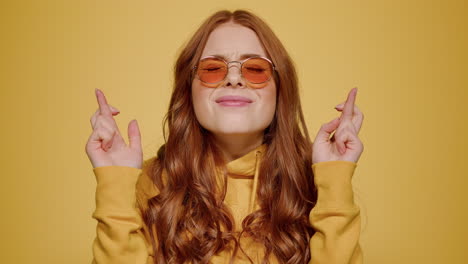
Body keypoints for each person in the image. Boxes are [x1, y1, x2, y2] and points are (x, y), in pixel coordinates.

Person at [86, 9, 364, 264]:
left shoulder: (316, 185)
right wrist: (115, 185)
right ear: (189, 90)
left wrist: (335, 179)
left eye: (255, 69)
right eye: (212, 68)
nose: (233, 78)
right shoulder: (148, 184)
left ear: (281, 91)